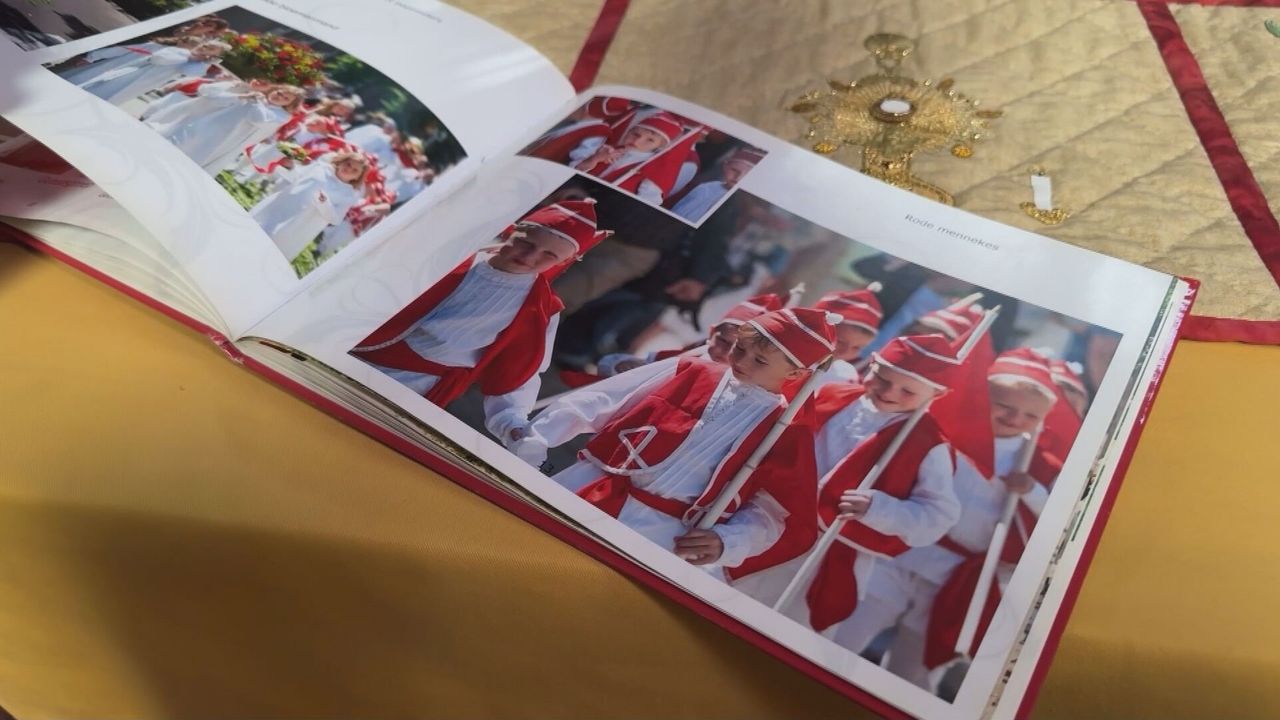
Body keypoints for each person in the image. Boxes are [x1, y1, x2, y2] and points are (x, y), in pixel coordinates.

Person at [514, 308, 839, 578]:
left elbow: (773, 509)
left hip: (660, 535)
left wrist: (728, 540)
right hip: (590, 488)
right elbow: (604, 401)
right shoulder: (695, 370)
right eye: (741, 348)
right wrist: (537, 441)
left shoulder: (785, 428)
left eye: (760, 361)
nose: (740, 359)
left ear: (795, 375)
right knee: (520, 554)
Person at [831, 348, 1063, 689]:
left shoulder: (1039, 465)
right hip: (897, 552)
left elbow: (1053, 524)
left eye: (1030, 415)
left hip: (952, 575)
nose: (1015, 418)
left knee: (914, 672)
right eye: (1005, 406)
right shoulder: (945, 428)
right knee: (844, 634)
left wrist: (1031, 490)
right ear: (983, 396)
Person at [732, 334, 963, 635]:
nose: (890, 392)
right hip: (766, 521)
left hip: (826, 555)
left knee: (783, 629)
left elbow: (938, 517)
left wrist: (878, 508)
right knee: (727, 598)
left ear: (937, 394)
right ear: (872, 364)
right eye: (881, 378)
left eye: (908, 391)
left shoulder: (929, 444)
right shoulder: (832, 395)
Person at [350, 199, 610, 441]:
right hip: (356, 351)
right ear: (514, 230)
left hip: (413, 385)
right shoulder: (454, 256)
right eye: (527, 243)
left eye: (549, 255)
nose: (530, 257)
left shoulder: (539, 309)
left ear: (565, 261)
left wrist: (512, 422)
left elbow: (521, 372)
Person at [142, 80, 305, 173]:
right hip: (208, 122)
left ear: (289, 104)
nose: (279, 96)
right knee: (176, 140)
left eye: (285, 98)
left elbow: (257, 119)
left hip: (223, 137)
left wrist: (256, 101)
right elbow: (214, 96)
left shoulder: (281, 116)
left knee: (186, 153)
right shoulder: (256, 95)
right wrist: (243, 93)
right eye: (280, 92)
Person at [249, 150, 370, 262]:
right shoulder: (321, 167)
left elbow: (336, 219)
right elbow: (297, 175)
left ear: (357, 177)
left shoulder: (348, 194)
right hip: (280, 207)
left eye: (355, 170)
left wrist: (324, 203)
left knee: (266, 250)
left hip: (297, 223)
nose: (349, 169)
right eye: (348, 164)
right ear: (341, 161)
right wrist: (290, 167)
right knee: (252, 232)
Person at [572, 112, 691, 203]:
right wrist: (595, 159)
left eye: (650, 140)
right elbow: (574, 170)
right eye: (635, 134)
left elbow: (648, 202)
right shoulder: (606, 149)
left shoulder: (652, 168)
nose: (638, 141)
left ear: (660, 146)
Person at [74, 39, 228, 106]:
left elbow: (187, 71)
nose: (204, 48)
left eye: (210, 49)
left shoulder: (197, 65)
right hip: (128, 74)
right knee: (90, 88)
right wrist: (191, 56)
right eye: (206, 45)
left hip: (137, 85)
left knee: (101, 100)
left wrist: (205, 61)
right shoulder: (179, 52)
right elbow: (158, 59)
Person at [807, 285, 882, 385]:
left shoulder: (845, 378)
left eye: (856, 348)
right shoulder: (783, 357)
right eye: (840, 341)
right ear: (813, 327)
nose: (844, 352)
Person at [523, 96, 633, 163]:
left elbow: (578, 160)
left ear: (586, 109)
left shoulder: (597, 133)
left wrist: (594, 158)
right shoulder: (572, 122)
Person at [670, 147, 764, 222]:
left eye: (747, 175)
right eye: (734, 170)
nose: (738, 178)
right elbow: (678, 211)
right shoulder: (706, 188)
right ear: (725, 166)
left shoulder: (744, 205)